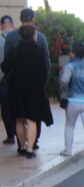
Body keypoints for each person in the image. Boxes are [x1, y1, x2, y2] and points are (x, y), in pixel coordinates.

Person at [1, 25, 52, 158]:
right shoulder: (40, 51)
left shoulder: (15, 51)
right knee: (31, 120)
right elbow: (45, 71)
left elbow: (5, 67)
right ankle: (30, 150)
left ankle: (22, 147)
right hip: (34, 90)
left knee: (19, 119)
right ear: (34, 36)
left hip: (16, 89)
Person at [0, 14, 14, 145]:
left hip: (2, 81)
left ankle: (11, 135)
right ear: (13, 25)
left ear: (0, 26)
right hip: (16, 80)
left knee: (5, 109)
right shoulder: (18, 39)